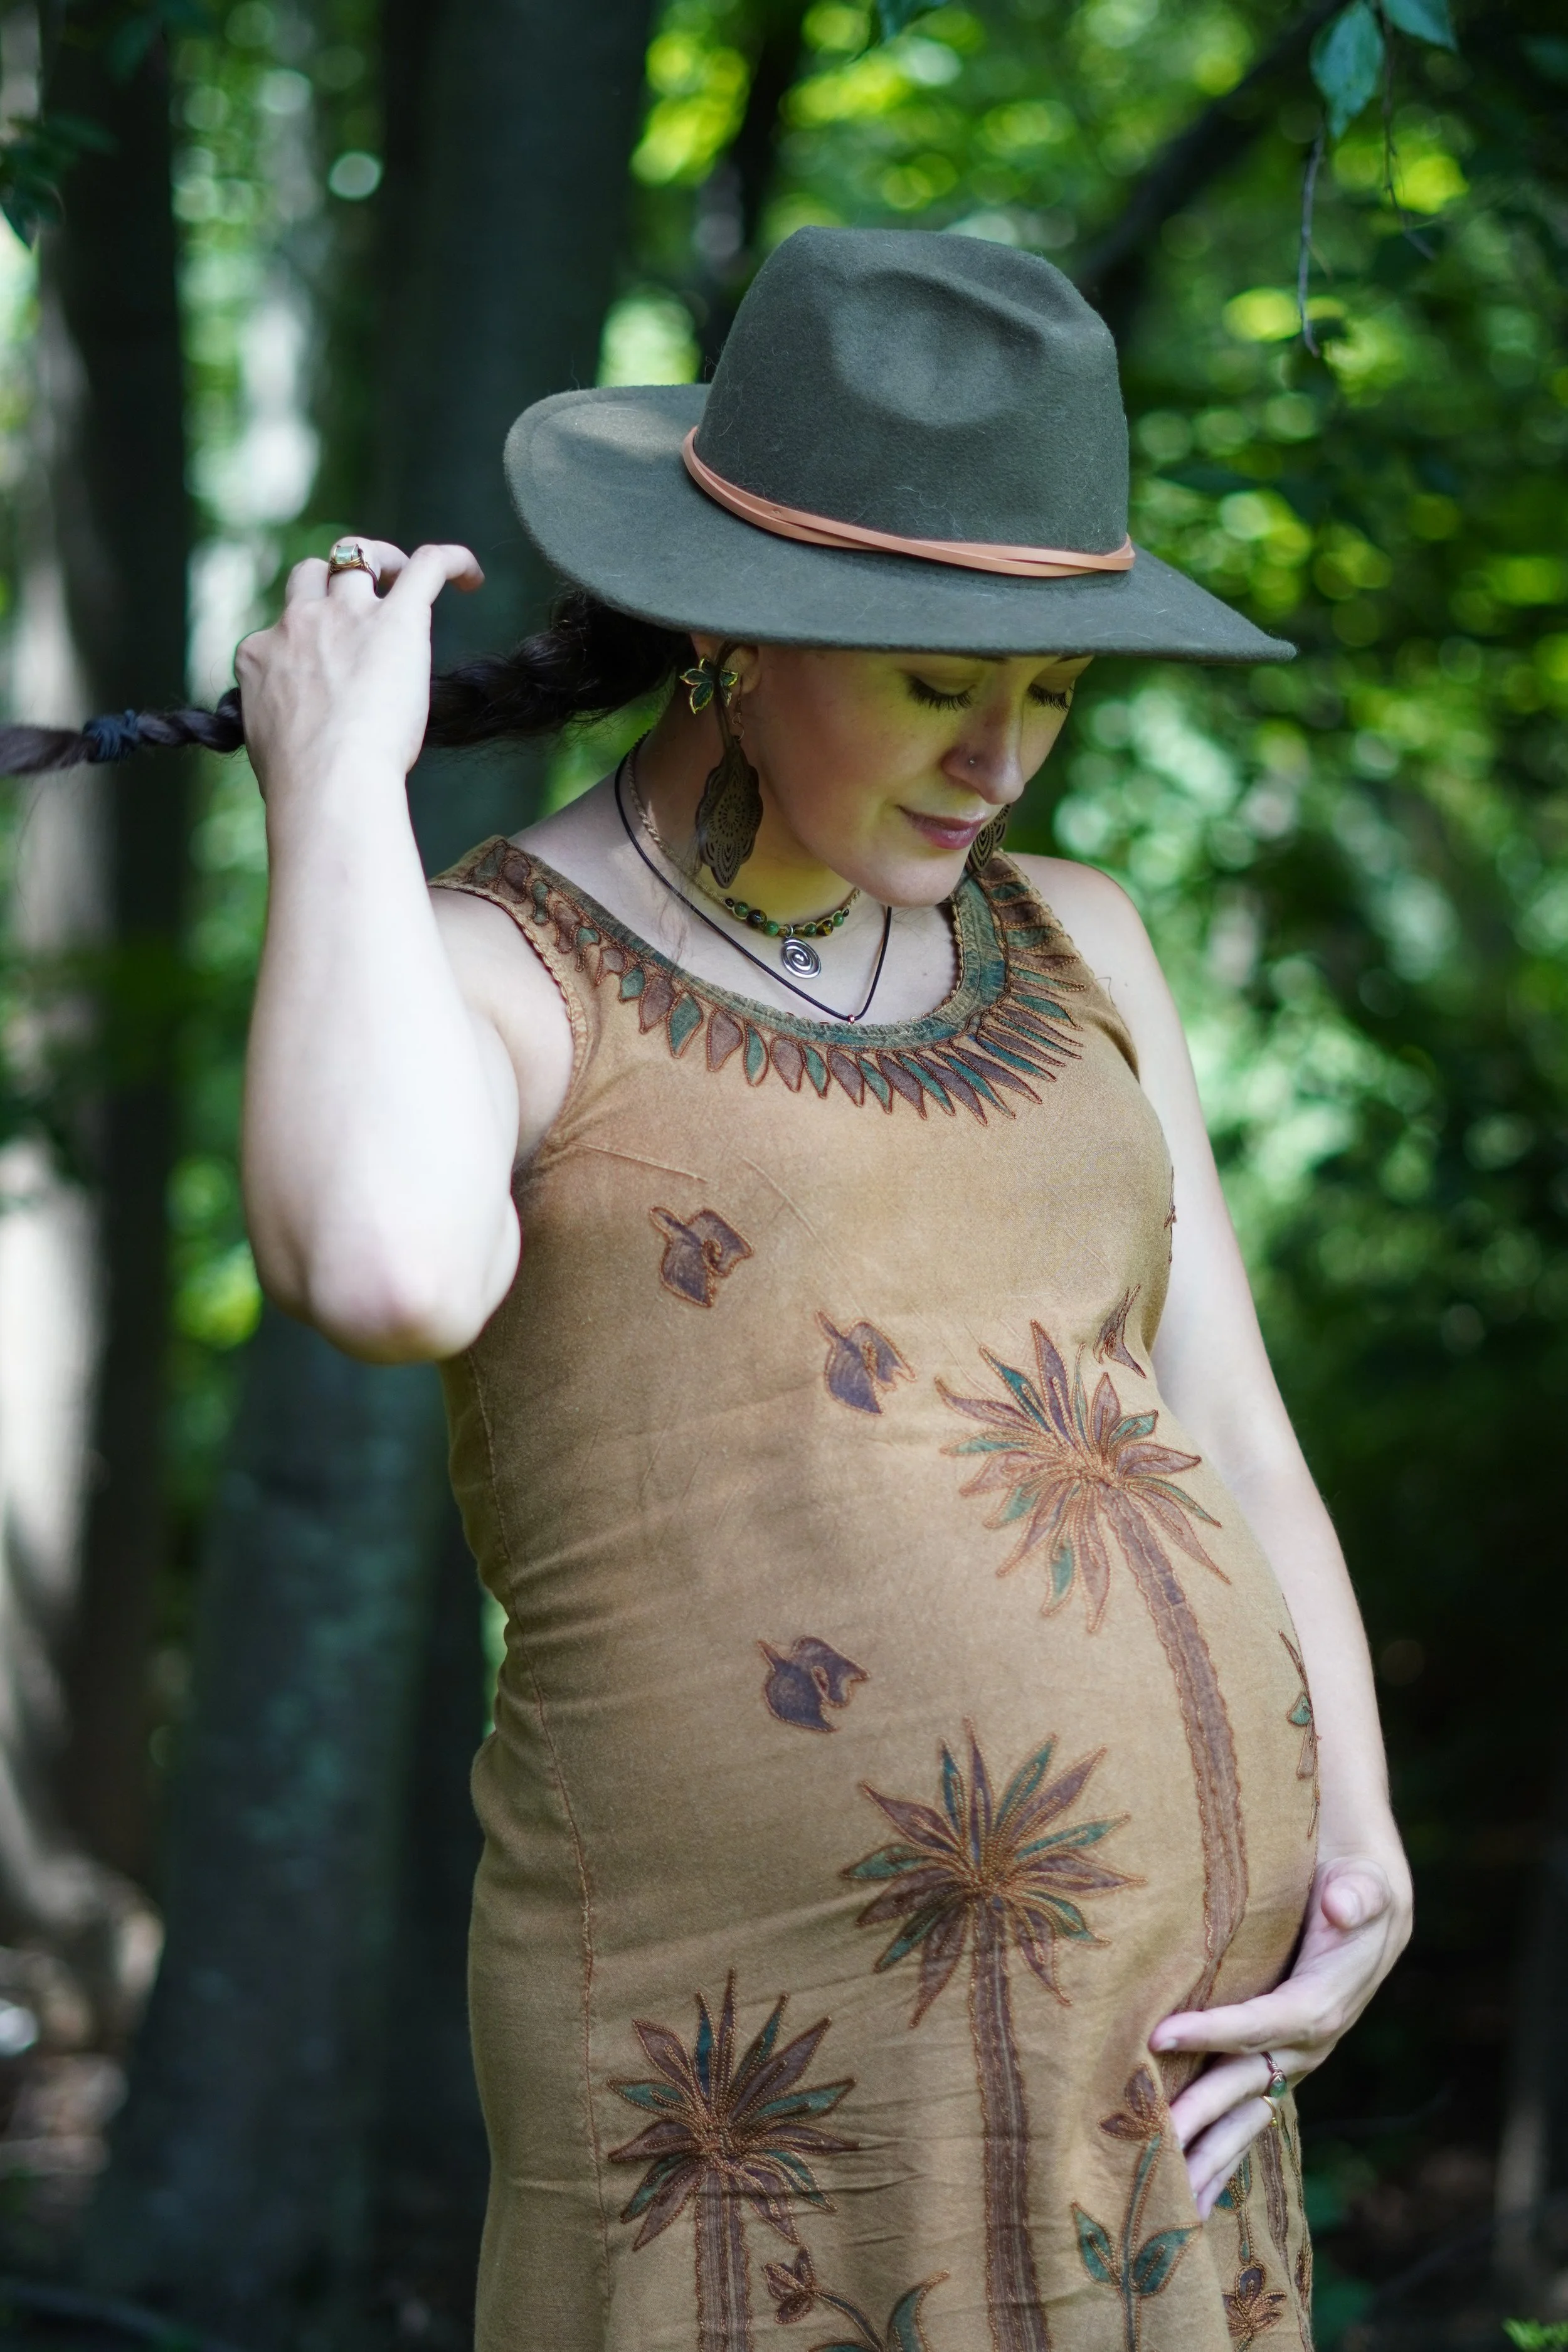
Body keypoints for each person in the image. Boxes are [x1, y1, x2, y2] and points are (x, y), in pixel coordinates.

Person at [25, 230, 1410, 2351]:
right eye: (943, 688)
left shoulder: (1088, 941)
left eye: (1050, 689)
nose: (1004, 761)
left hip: (1160, 2078)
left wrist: (1359, 1829)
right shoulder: (501, 970)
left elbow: (1219, 1415)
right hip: (751, 2088)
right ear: (731, 636)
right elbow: (381, 1266)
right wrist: (331, 790)